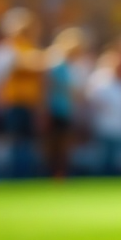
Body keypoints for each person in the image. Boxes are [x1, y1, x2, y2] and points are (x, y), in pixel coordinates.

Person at [0, 9, 45, 178]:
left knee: (27, 142)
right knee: (14, 142)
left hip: (29, 103)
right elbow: (24, 64)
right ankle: (13, 177)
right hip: (13, 103)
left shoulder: (30, 47)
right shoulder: (10, 48)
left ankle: (25, 176)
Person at [43, 28, 88, 179]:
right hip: (53, 110)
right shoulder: (56, 62)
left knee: (64, 145)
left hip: (66, 111)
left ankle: (60, 175)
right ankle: (50, 174)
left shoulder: (71, 66)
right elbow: (48, 88)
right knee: (53, 145)